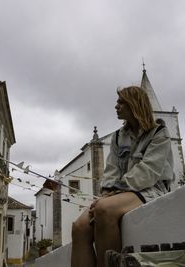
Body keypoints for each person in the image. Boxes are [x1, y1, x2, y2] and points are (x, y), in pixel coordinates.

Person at [71, 85, 174, 267]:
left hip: (151, 189)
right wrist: (107, 193)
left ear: (134, 104)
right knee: (79, 227)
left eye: (121, 102)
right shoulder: (118, 137)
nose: (116, 106)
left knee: (104, 209)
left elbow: (148, 171)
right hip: (120, 193)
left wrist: (115, 191)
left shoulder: (159, 133)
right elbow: (111, 170)